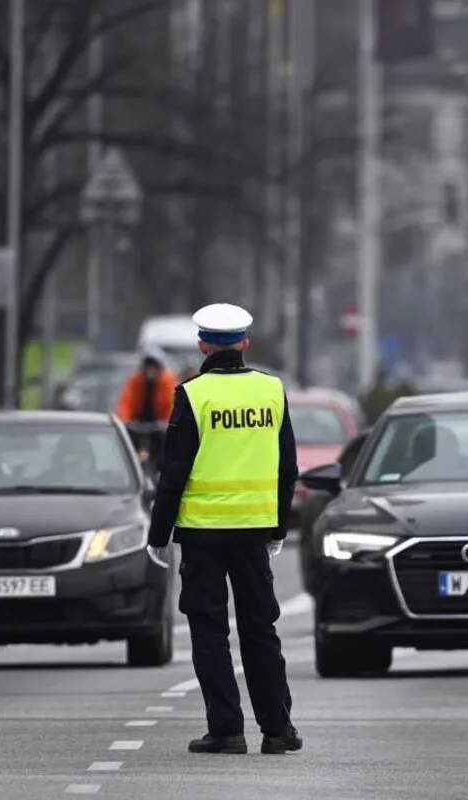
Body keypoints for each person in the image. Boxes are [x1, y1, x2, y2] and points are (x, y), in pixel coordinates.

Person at [145, 302, 301, 756]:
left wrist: (158, 535)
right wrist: (279, 526)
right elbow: (287, 466)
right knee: (260, 630)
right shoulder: (272, 391)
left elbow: (174, 472)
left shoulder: (193, 395)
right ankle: (278, 729)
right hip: (254, 530)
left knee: (211, 631)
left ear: (202, 345)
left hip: (203, 534)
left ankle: (227, 729)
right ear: (245, 344)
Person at [115, 346, 177, 466]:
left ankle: (163, 470)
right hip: (137, 424)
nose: (151, 369)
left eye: (154, 365)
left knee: (165, 447)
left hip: (160, 426)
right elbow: (125, 402)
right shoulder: (135, 380)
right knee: (128, 445)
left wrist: (168, 423)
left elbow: (172, 404)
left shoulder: (168, 381)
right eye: (148, 365)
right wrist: (124, 420)